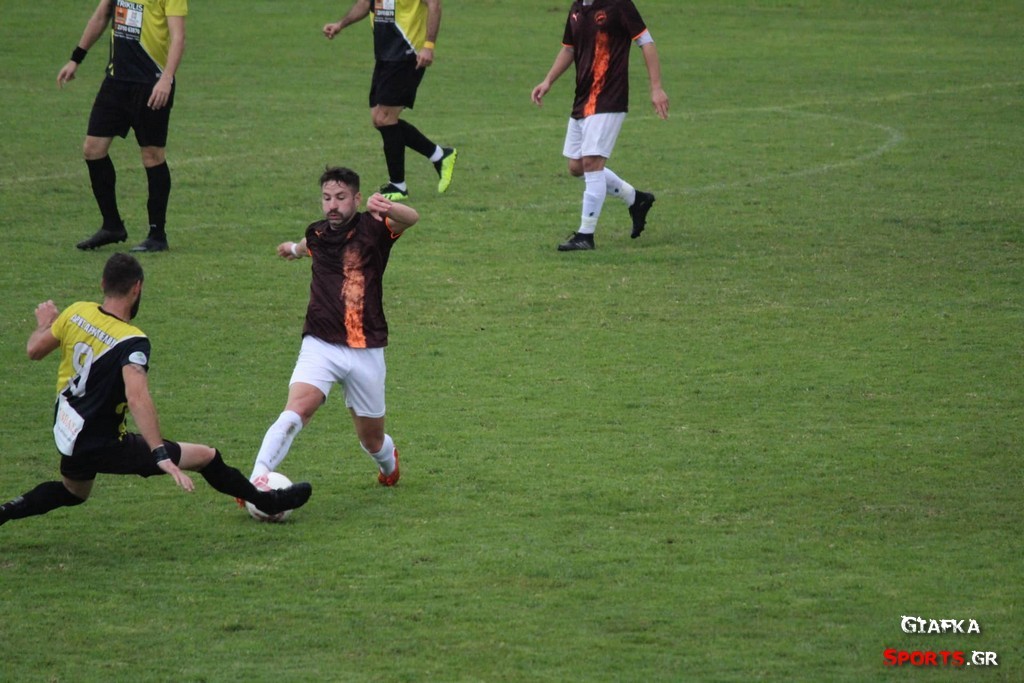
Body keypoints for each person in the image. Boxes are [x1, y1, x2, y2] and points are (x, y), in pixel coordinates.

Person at [0, 254, 313, 528]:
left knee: (73, 491)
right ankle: (267, 501)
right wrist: (159, 454)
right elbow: (137, 397)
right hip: (104, 441)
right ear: (137, 288)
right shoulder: (131, 341)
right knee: (206, 456)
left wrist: (44, 324)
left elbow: (34, 351)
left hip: (68, 431)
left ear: (103, 283)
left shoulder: (76, 312)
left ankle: (5, 512)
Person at [248, 166, 419, 489]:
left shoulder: (374, 228)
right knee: (298, 409)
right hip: (321, 343)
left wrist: (388, 207)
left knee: (372, 440)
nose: (333, 205)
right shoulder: (317, 233)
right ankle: (255, 479)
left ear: (356, 198)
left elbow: (412, 218)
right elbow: (308, 244)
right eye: (327, 198)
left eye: (341, 197)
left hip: (366, 348)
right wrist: (293, 249)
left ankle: (388, 464)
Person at [531, 0, 670, 251]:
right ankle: (635, 198)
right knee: (576, 166)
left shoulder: (619, 4)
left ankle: (585, 235)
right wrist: (548, 80)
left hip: (609, 97)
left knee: (592, 163)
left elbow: (646, 42)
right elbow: (569, 49)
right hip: (583, 99)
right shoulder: (577, 8)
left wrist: (656, 87)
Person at [57, 0, 188, 253]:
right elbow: (101, 15)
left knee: (152, 156)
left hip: (152, 83)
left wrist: (167, 79)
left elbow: (178, 37)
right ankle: (112, 225)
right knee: (92, 149)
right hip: (116, 81)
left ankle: (157, 235)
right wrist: (76, 58)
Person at [323, 0, 457, 201]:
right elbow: (364, 3)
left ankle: (398, 185)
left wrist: (428, 46)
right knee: (379, 118)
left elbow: (434, 4)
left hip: (408, 53)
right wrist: (340, 24)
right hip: (385, 55)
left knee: (385, 118)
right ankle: (439, 155)